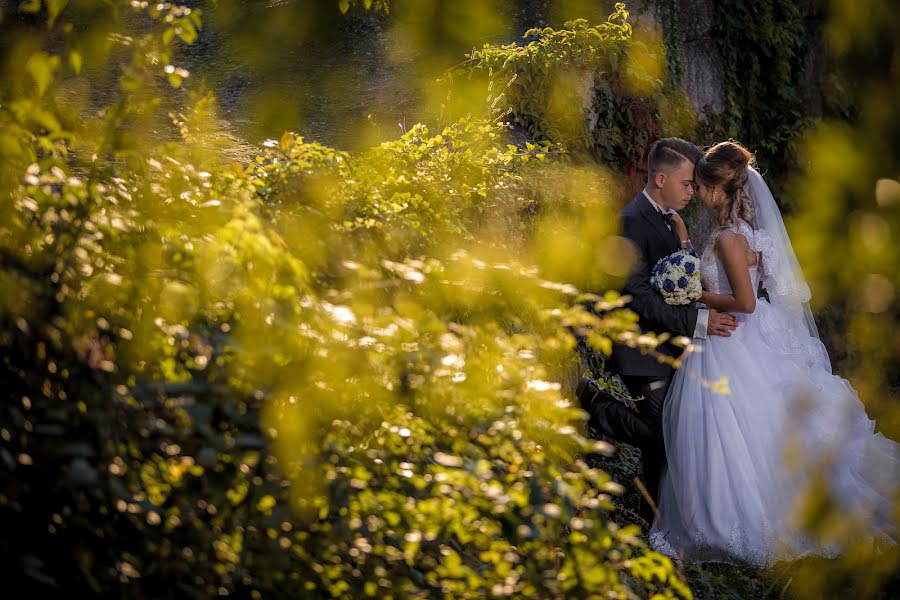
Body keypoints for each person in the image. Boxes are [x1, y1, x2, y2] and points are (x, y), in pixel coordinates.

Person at [649, 140, 899, 565]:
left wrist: (698, 293)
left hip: (732, 339)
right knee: (753, 428)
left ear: (714, 189)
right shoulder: (748, 232)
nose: (697, 193)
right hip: (752, 336)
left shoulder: (730, 237)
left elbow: (744, 302)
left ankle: (730, 521)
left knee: (725, 428)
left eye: (700, 186)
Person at [577, 138, 737, 522]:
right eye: (686, 184)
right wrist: (698, 322)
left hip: (666, 345)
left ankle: (655, 514)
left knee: (666, 436)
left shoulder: (667, 219)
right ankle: (592, 403)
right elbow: (636, 295)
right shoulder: (631, 222)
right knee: (664, 432)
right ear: (661, 178)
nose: (691, 192)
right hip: (641, 350)